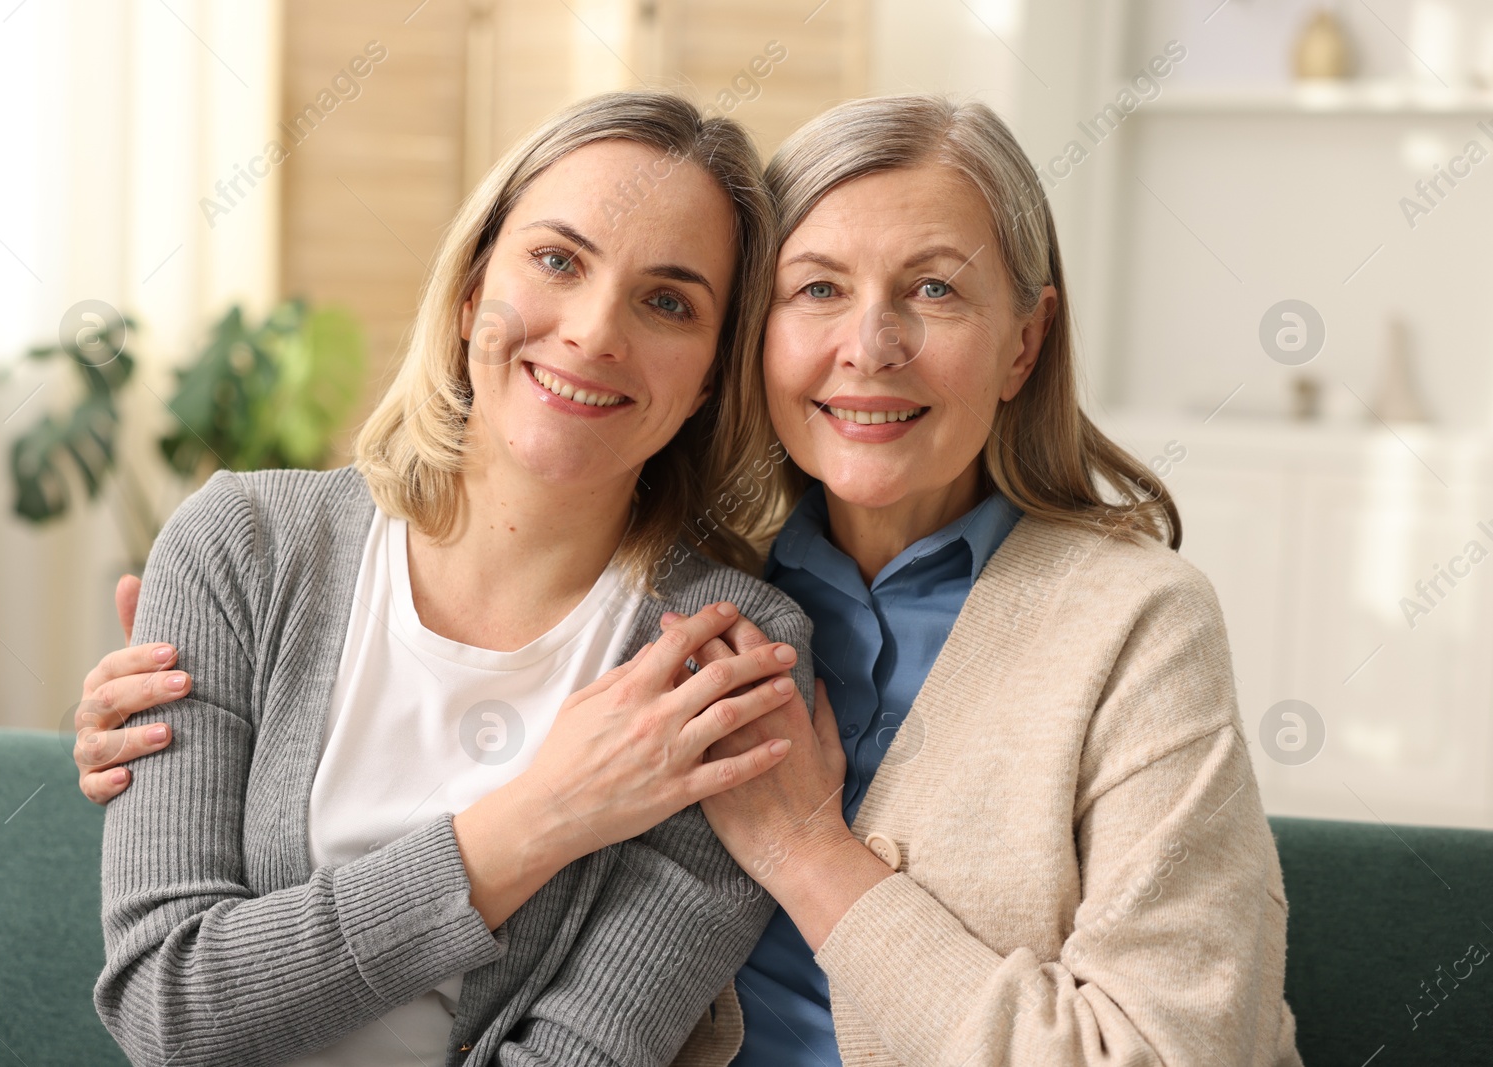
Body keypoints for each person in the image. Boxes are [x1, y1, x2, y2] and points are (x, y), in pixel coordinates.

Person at [82, 95, 1303, 1066]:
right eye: (815, 288)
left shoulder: (1093, 625)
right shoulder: (702, 609)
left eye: (933, 288)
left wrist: (810, 853)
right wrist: (199, 735)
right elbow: (173, 999)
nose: (867, 346)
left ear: (1023, 341)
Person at [88, 91, 819, 1067]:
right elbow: (167, 1006)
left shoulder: (724, 657)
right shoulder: (241, 546)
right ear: (475, 289)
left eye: (667, 300)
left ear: (709, 376)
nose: (595, 332)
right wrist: (534, 819)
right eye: (558, 260)